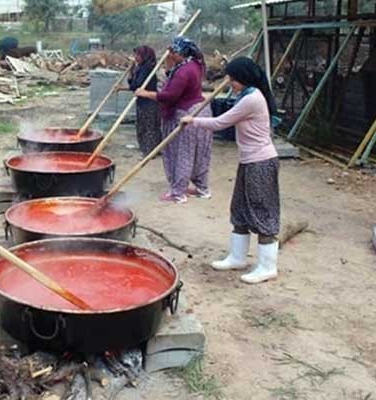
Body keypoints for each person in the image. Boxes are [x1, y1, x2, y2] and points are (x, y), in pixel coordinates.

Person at [181, 57, 280, 284]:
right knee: (240, 208)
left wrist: (192, 120)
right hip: (248, 161)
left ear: (243, 78)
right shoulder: (244, 95)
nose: (230, 83)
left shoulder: (252, 99)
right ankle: (237, 257)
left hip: (261, 162)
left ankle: (267, 266)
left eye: (233, 79)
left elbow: (220, 123)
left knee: (261, 211)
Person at [137, 37, 213, 204]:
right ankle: (202, 189)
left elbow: (169, 96)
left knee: (181, 154)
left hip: (186, 114)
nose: (168, 54)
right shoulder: (194, 64)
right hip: (200, 111)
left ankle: (178, 193)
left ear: (180, 53)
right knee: (199, 154)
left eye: (172, 52)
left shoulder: (184, 71)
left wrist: (146, 94)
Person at [119, 45, 161, 156]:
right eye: (135, 54)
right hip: (142, 101)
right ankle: (151, 149)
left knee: (148, 127)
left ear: (145, 56)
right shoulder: (141, 67)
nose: (135, 57)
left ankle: (149, 151)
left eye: (138, 55)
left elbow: (136, 85)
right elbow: (133, 84)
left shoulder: (147, 68)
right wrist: (131, 71)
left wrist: (132, 75)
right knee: (145, 126)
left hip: (149, 102)